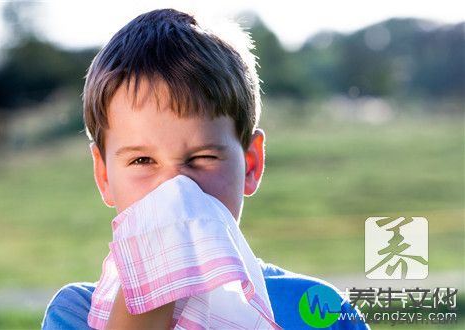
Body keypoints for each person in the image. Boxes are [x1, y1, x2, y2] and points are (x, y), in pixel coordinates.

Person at [42, 8, 368, 329]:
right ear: (104, 176)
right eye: (142, 161)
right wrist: (150, 285)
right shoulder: (76, 314)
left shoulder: (319, 310)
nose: (175, 191)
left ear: (251, 164)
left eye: (201, 158)